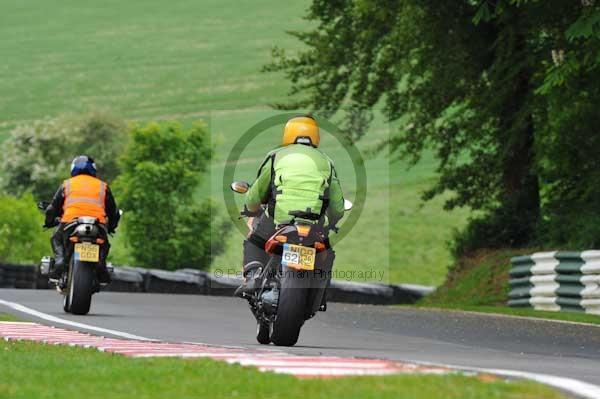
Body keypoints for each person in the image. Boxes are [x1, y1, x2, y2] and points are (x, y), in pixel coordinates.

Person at [235, 115, 345, 299]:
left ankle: (253, 277)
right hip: (313, 225)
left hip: (280, 221)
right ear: (316, 136)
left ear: (288, 135)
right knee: (327, 252)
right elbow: (337, 207)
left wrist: (251, 208)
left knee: (255, 240)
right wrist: (332, 220)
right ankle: (319, 292)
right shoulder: (327, 162)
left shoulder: (276, 156)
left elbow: (256, 194)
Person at [44, 155, 120, 284]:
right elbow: (113, 212)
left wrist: (49, 222)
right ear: (93, 170)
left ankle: (60, 261)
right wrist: (111, 227)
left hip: (70, 222)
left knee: (56, 238)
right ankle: (101, 265)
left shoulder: (67, 184)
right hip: (97, 224)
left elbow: (52, 209)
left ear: (73, 169)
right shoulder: (103, 186)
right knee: (104, 244)